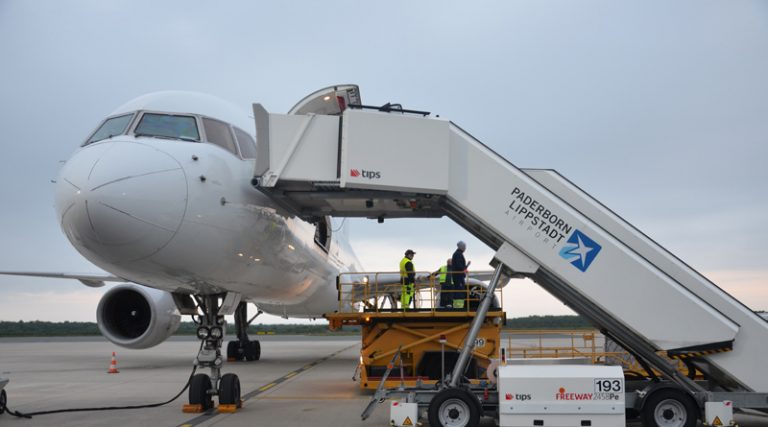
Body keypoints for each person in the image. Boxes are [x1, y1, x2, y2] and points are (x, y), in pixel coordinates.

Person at [451, 241, 471, 307]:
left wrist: (465, 267)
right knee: (459, 291)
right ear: (461, 247)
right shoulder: (458, 254)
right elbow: (459, 267)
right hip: (458, 276)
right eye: (464, 247)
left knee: (459, 291)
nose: (465, 248)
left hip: (458, 276)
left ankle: (458, 305)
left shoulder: (457, 254)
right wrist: (466, 266)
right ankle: (458, 307)